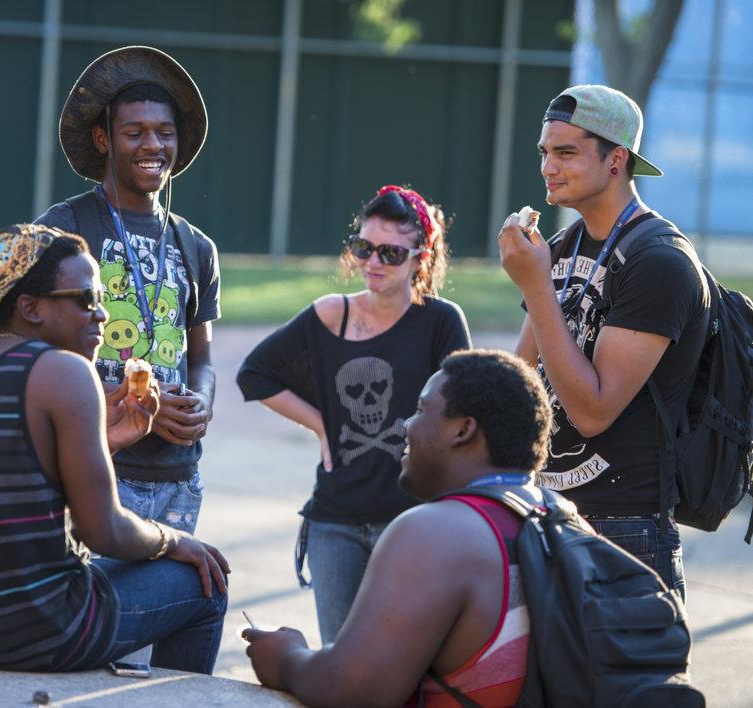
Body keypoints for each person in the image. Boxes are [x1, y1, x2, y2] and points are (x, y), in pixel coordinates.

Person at [0, 224, 229, 672]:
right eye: (87, 300)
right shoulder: (63, 372)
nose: (103, 317)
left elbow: (4, 495)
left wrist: (104, 442)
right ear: (30, 308)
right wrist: (174, 539)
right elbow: (104, 531)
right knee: (202, 579)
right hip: (36, 632)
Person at [243, 350, 550, 707]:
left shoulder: (439, 531)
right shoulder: (555, 515)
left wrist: (285, 657)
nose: (406, 423)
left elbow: (352, 689)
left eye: (421, 409)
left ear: (463, 430)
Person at [497, 84, 710, 597]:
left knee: (617, 680)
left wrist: (535, 286)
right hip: (548, 513)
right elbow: (519, 381)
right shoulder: (562, 244)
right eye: (545, 152)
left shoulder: (659, 260)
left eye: (566, 153)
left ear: (616, 160)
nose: (548, 167)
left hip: (625, 532)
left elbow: (593, 411)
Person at [236, 185, 471, 643]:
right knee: (339, 658)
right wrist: (321, 424)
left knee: (404, 660)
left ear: (420, 256)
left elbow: (464, 409)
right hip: (335, 521)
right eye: (364, 248)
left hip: (411, 521)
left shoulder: (441, 321)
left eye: (390, 252)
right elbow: (254, 375)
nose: (374, 262)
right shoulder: (331, 315)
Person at [35, 46, 219, 541]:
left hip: (178, 480)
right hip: (97, 467)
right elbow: (31, 356)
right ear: (103, 138)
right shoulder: (64, 228)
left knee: (166, 609)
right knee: (95, 614)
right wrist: (132, 412)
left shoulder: (196, 245)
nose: (152, 146)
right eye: (134, 133)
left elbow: (200, 358)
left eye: (164, 133)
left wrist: (200, 401)